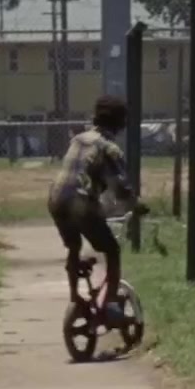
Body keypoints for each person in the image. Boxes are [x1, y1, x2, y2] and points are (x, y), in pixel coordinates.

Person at [47, 95, 147, 319]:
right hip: (80, 202)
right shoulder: (109, 148)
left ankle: (75, 299)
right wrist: (137, 205)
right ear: (120, 123)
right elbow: (120, 187)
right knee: (112, 250)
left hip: (56, 198)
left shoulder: (78, 139)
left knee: (74, 248)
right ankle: (109, 305)